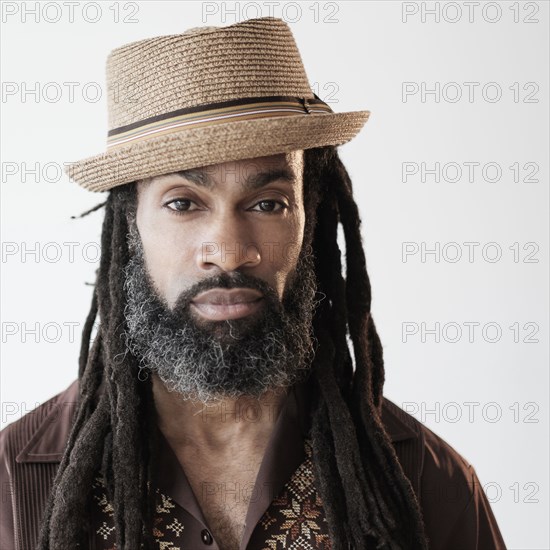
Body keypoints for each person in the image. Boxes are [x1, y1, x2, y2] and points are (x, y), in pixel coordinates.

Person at [0, 16, 507, 550]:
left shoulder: (424, 481)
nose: (230, 252)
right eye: (183, 203)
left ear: (308, 218)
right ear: (132, 228)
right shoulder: (14, 483)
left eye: (267, 203)